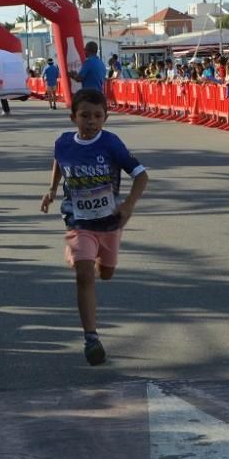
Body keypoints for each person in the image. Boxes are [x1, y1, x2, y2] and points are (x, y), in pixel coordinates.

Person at [39, 89, 148, 366]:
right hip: (78, 221)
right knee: (84, 275)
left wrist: (129, 205)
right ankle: (91, 338)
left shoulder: (111, 144)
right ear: (73, 117)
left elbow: (141, 175)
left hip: (110, 222)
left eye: (98, 116)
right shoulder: (64, 142)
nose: (91, 121)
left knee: (106, 273)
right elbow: (59, 161)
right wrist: (51, 190)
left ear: (105, 118)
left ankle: (90, 256)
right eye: (85, 115)